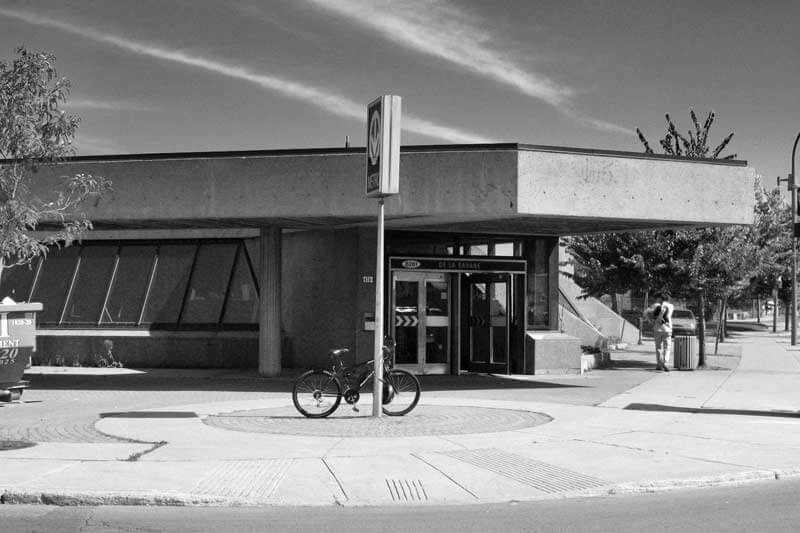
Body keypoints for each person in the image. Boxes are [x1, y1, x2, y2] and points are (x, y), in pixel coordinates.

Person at [652, 292, 674, 371]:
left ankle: (659, 364)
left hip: (658, 329)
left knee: (658, 347)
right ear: (668, 299)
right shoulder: (671, 306)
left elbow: (652, 314)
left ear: (660, 299)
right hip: (667, 329)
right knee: (667, 347)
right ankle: (666, 363)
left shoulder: (657, 306)